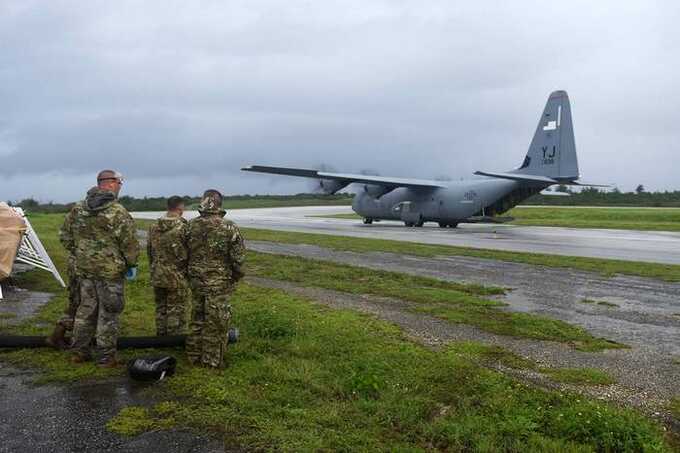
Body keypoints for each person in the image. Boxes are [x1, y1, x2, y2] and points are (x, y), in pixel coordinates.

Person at [60, 170, 140, 367]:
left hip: (85, 270)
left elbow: (65, 237)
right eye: (120, 182)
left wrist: (82, 253)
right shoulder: (117, 212)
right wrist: (131, 263)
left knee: (85, 310)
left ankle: (79, 352)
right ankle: (106, 357)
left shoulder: (77, 209)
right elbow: (129, 244)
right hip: (110, 272)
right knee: (109, 312)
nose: (121, 186)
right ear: (110, 183)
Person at [186, 189, 245, 368]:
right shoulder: (229, 227)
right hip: (219, 282)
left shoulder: (190, 225)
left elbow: (182, 253)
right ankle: (211, 361)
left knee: (197, 318)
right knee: (217, 322)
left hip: (196, 280)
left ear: (202, 202)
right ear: (219, 204)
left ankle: (193, 356)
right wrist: (235, 275)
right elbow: (238, 258)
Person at [47, 187, 98, 349]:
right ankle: (60, 336)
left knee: (77, 301)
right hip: (85, 265)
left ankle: (64, 336)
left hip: (75, 263)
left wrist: (76, 250)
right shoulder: (93, 214)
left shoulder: (74, 213)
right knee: (83, 303)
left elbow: (64, 236)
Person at [147, 196, 190, 336]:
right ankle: (175, 337)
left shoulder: (154, 227)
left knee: (161, 306)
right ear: (180, 208)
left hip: (158, 273)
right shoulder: (184, 227)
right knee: (177, 308)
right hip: (177, 275)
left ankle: (161, 335)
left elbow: (149, 250)